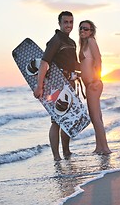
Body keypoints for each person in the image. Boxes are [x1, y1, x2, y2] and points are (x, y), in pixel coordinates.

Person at [34, 11, 80, 161]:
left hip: (70, 84)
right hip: (56, 86)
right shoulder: (55, 40)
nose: (68, 25)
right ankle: (56, 157)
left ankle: (67, 152)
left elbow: (74, 65)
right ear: (59, 23)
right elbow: (44, 62)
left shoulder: (72, 42)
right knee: (56, 121)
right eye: (65, 22)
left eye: (71, 22)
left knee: (67, 119)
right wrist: (39, 86)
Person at [78, 20, 111, 155]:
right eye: (81, 29)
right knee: (97, 117)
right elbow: (86, 66)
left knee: (95, 118)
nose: (82, 31)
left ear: (91, 31)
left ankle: (105, 149)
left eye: (86, 29)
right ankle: (99, 147)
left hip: (93, 84)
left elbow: (98, 59)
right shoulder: (83, 45)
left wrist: (98, 79)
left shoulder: (91, 41)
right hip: (89, 85)